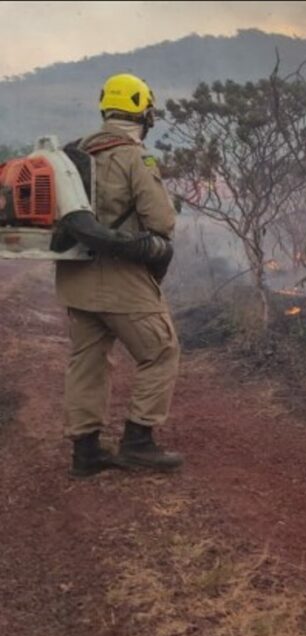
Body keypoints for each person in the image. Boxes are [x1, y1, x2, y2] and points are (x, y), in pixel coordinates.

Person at [57, 72, 183, 478]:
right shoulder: (134, 156)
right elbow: (161, 221)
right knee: (160, 351)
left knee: (88, 360)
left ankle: (86, 452)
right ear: (144, 112)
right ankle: (138, 443)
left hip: (75, 277)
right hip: (119, 277)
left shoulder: (72, 153)